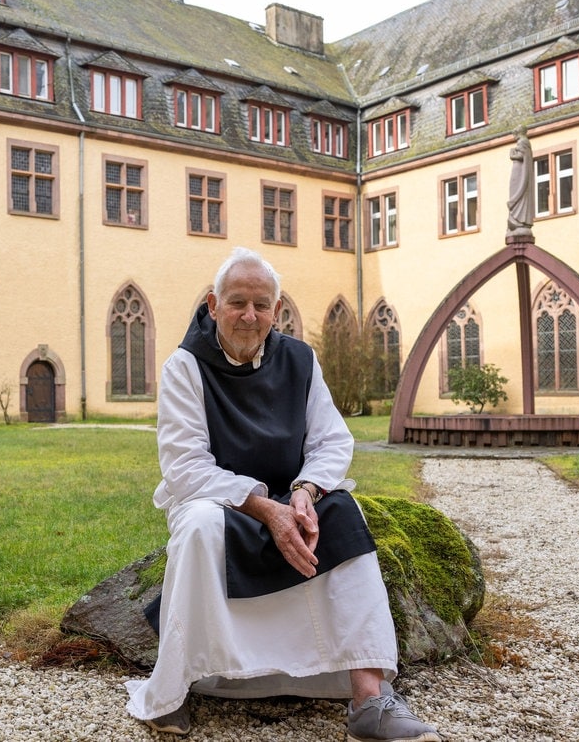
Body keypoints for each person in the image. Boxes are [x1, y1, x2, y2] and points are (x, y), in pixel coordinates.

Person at [124, 247, 440, 742]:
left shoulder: (301, 359)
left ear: (277, 309)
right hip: (216, 499)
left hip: (290, 497)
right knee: (201, 528)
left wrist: (304, 491)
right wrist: (261, 506)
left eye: (262, 304)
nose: (250, 316)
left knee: (342, 512)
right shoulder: (184, 367)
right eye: (237, 303)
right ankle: (174, 690)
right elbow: (185, 467)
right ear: (213, 305)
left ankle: (368, 698)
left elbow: (332, 440)